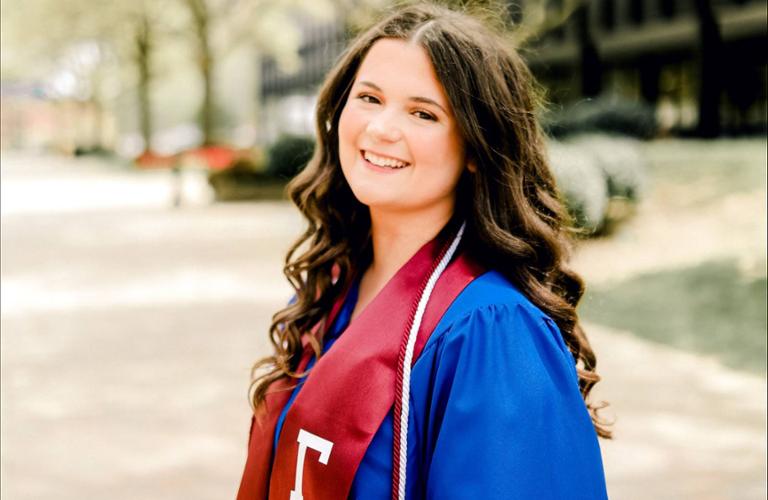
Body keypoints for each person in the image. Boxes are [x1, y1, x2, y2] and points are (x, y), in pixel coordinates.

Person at [238, 3, 610, 499]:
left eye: (422, 113)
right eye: (369, 98)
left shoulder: (490, 331)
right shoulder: (331, 289)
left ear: (477, 150)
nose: (381, 129)